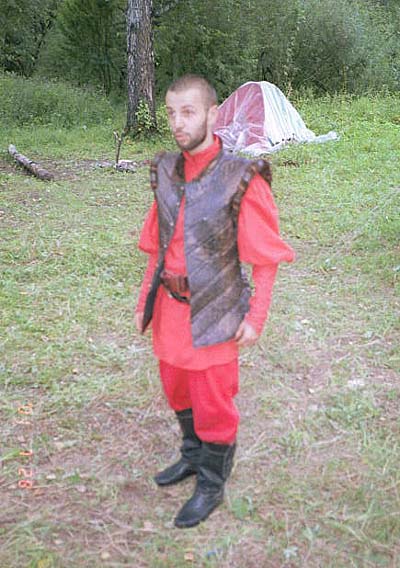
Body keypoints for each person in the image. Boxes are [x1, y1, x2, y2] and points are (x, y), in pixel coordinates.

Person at [135, 74, 294, 529]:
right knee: (176, 388)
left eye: (188, 112)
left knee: (213, 402)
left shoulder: (240, 177)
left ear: (213, 113)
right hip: (169, 308)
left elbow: (265, 259)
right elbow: (157, 244)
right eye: (171, 113)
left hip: (217, 309)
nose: (177, 123)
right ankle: (192, 455)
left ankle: (211, 481)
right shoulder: (167, 170)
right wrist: (145, 298)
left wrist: (256, 316)